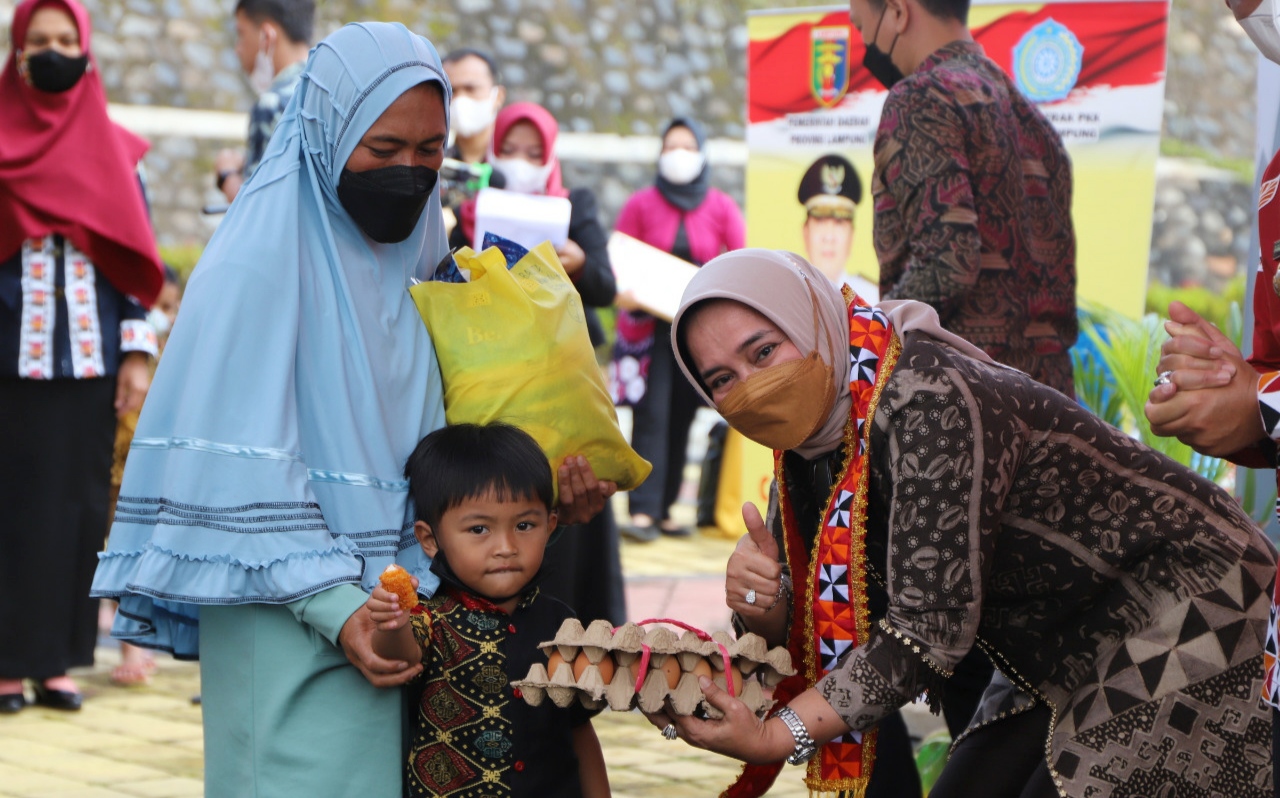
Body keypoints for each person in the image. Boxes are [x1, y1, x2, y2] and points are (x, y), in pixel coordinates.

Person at [90, 23, 612, 796]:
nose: (409, 171)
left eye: (430, 151)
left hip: (412, 620)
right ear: (327, 133)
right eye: (383, 149)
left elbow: (447, 447)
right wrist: (342, 611)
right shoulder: (252, 267)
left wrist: (533, 499)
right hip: (291, 620)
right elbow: (235, 477)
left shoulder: (424, 259)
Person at [645, 248, 1275, 798]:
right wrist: (765, 604)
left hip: (1188, 595)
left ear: (812, 320)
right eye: (724, 379)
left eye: (764, 351)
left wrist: (779, 735)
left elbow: (929, 630)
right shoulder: (811, 447)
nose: (755, 387)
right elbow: (828, 622)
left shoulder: (929, 397)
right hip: (1059, 643)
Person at [0, 0, 163, 714]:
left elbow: (135, 264)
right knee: (10, 510)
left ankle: (59, 662)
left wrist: (136, 356)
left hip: (89, 364)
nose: (55, 51)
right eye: (39, 41)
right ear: (16, 52)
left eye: (68, 39)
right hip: (8, 361)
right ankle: (6, 665)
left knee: (76, 511)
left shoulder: (116, 151)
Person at [1144, 3, 1280, 791]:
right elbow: (1270, 373)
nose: (1248, 11)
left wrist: (1259, 403)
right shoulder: (1275, 179)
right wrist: (1227, 397)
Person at [450, 101, 625, 626]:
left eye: (534, 151)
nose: (521, 161)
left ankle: (570, 628)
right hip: (495, 380)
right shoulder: (468, 211)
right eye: (509, 149)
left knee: (567, 495)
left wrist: (574, 262)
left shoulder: (575, 206)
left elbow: (605, 285)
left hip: (560, 378)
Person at [367, 422, 610, 797]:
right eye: (479, 530)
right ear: (430, 540)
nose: (506, 547)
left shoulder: (564, 627)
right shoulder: (432, 617)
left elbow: (578, 729)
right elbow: (398, 655)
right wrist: (391, 621)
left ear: (550, 525)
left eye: (524, 525)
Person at [859, 0, 1076, 397]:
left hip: (962, 407)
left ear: (897, 12)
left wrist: (863, 345)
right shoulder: (1033, 119)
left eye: (861, 28)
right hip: (1050, 405)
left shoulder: (920, 98)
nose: (865, 46)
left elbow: (948, 264)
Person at [612, 117, 744, 543]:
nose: (679, 155)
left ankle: (668, 510)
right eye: (671, 146)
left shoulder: (721, 206)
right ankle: (644, 510)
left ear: (703, 153)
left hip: (696, 333)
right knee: (651, 415)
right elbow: (620, 259)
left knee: (684, 415)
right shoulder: (640, 204)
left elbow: (739, 259)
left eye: (688, 146)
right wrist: (624, 291)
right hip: (651, 333)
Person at [104, 264, 183, 687]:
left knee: (144, 551)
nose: (165, 315)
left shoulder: (174, 349)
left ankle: (138, 643)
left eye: (171, 307)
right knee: (119, 548)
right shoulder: (130, 356)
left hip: (153, 469)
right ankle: (129, 644)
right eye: (159, 306)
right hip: (116, 464)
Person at [213, 0, 314, 203]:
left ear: (266, 36)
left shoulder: (271, 105)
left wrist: (227, 176)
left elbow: (256, 209)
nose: (237, 49)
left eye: (241, 34)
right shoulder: (327, 91)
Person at [797, 153, 872, 297]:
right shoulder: (787, 295)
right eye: (820, 221)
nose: (829, 237)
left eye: (839, 223)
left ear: (852, 235)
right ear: (805, 232)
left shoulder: (873, 300)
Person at [441, 47, 506, 166]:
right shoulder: (436, 160)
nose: (459, 99)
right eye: (452, 91)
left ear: (498, 96)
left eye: (471, 88)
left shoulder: (512, 159)